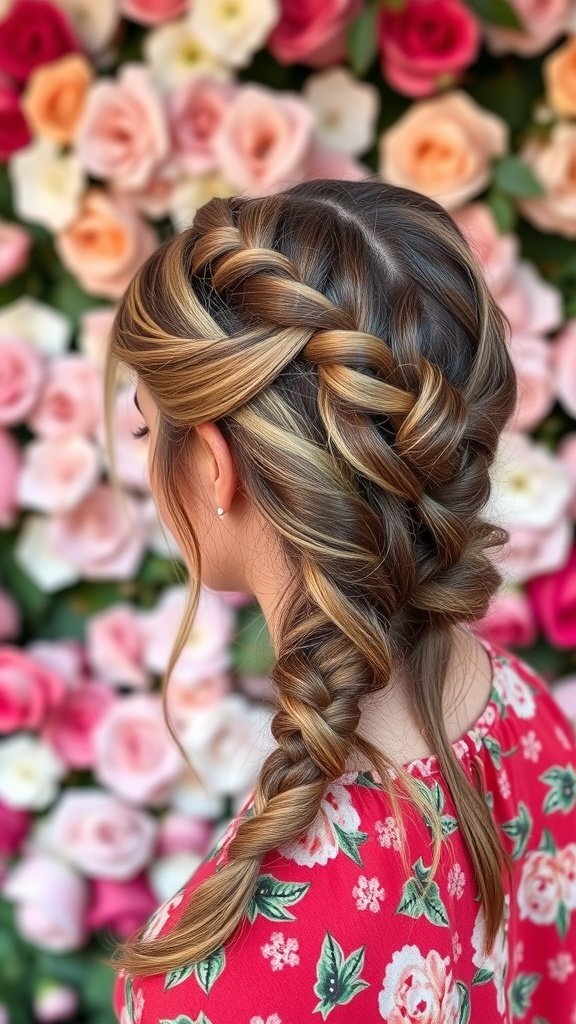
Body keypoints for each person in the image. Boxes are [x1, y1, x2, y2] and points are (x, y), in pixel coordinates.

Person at [104, 178, 576, 1023]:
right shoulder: (525, 715)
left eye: (147, 430)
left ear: (217, 463)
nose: (145, 462)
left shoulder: (219, 989)